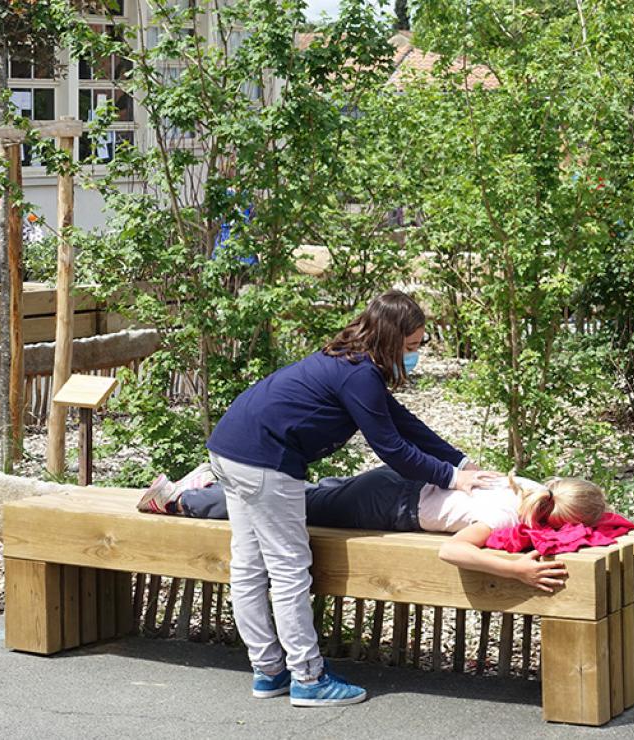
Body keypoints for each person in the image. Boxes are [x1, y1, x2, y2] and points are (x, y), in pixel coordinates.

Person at [204, 289, 499, 706]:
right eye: (411, 347)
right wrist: (449, 477)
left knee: (250, 567)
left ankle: (269, 671)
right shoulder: (359, 374)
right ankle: (308, 678)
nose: (415, 356)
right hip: (265, 461)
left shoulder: (350, 358)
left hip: (231, 448)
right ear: (390, 338)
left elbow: (400, 421)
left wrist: (460, 462)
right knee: (289, 571)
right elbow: (392, 449)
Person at [139, 466, 608, 592]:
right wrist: (516, 571)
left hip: (398, 484)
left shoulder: (526, 485)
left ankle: (211, 485)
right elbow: (453, 553)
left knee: (308, 495)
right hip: (386, 505)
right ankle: (181, 497)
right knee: (288, 507)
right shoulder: (507, 517)